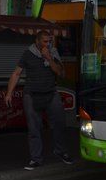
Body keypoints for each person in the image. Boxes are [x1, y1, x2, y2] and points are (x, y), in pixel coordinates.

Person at [5, 31, 72, 170]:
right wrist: (9, 93)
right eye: (44, 41)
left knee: (59, 123)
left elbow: (60, 73)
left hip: (51, 93)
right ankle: (36, 159)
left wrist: (49, 58)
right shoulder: (27, 53)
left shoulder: (53, 52)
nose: (47, 44)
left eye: (49, 41)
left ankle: (60, 151)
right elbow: (16, 73)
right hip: (32, 94)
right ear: (37, 41)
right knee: (34, 128)